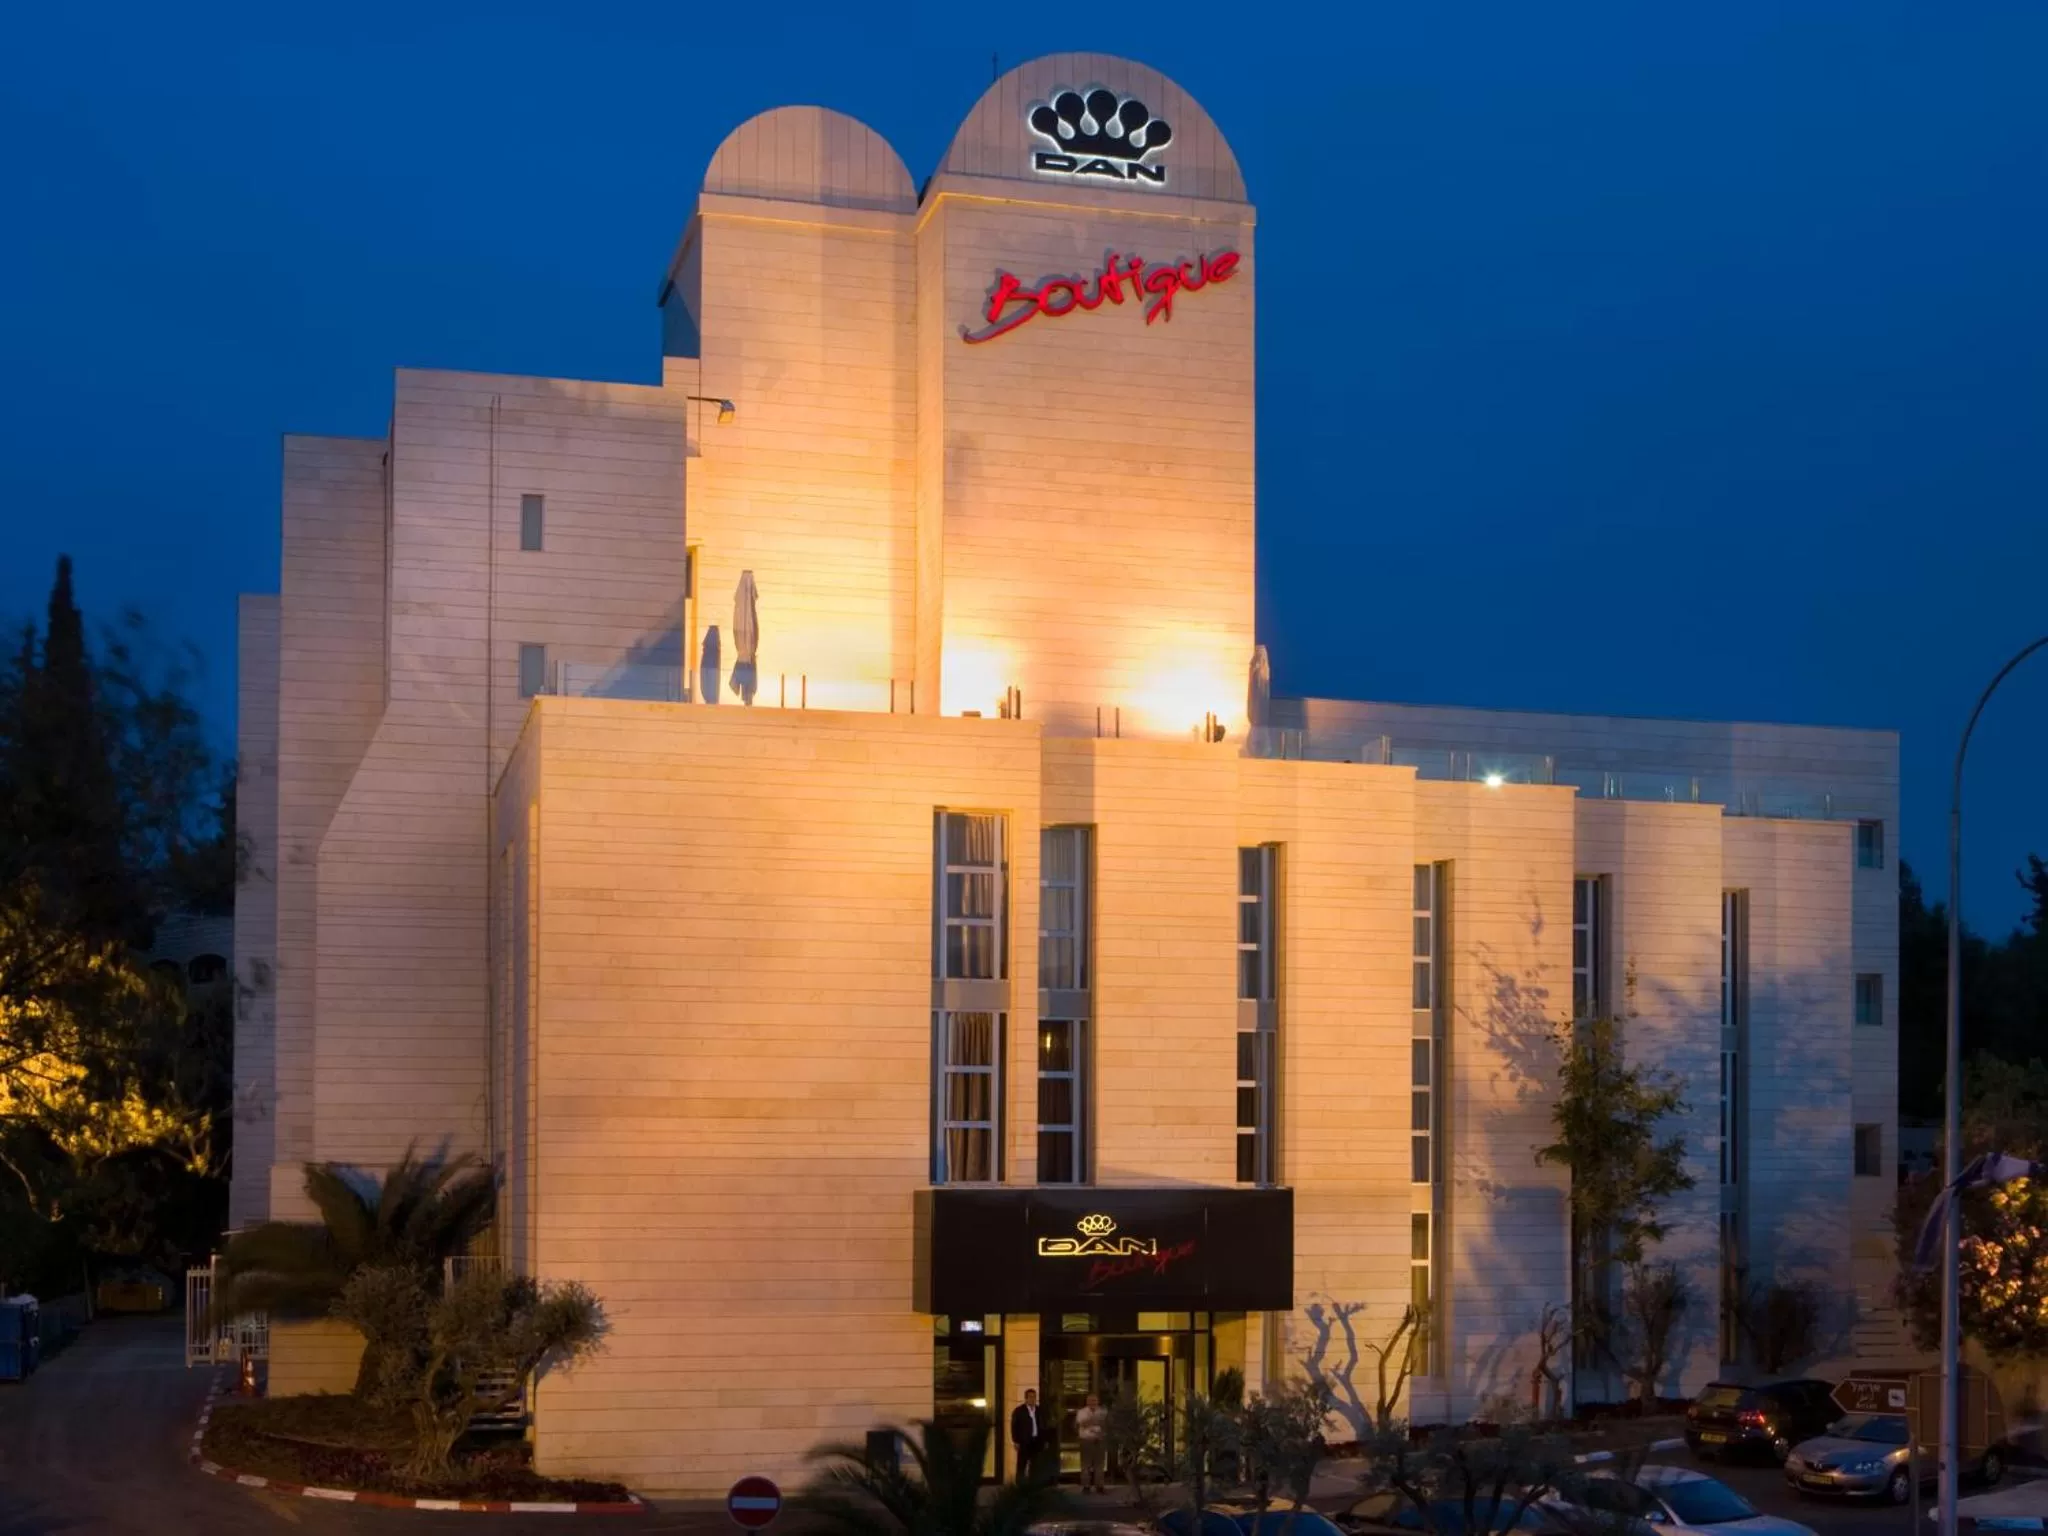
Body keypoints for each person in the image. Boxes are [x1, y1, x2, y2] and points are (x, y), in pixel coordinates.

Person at [1074, 1390, 1108, 1494]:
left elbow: (1105, 1424)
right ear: (1087, 1402)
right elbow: (1082, 1423)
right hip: (1086, 1440)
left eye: (1095, 1401)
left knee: (1099, 1465)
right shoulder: (1081, 1412)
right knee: (1086, 1465)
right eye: (1091, 1401)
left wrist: (1091, 1421)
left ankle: (1100, 1486)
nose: (1093, 1403)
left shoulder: (1103, 1411)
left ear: (1098, 1401)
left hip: (1099, 1440)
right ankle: (1086, 1486)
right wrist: (1094, 1420)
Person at [1010, 1388, 1047, 1476]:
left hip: (1036, 1441)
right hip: (1024, 1442)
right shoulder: (1019, 1411)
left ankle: (1033, 1484)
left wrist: (1044, 1440)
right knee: (1022, 1465)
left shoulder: (1039, 1410)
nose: (1032, 1399)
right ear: (1026, 1398)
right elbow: (1014, 1427)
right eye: (1030, 1397)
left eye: (1034, 1397)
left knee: (1035, 1465)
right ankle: (1020, 1485)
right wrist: (1016, 1441)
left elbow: (1043, 1426)